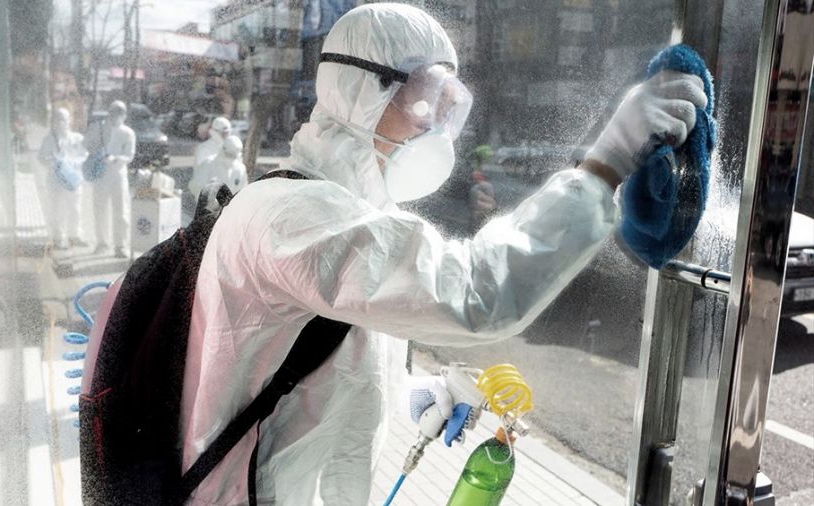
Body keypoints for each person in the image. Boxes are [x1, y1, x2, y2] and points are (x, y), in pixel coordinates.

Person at [90, 4, 706, 504]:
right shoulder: (289, 215)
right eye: (426, 100)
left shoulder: (348, 210)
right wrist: (602, 168)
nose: (437, 126)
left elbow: (321, 352)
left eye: (450, 106)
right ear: (363, 90)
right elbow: (475, 293)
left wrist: (414, 386)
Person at [89, 100, 135, 258]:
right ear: (109, 113)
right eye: (114, 113)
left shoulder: (128, 133)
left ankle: (120, 245)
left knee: (121, 211)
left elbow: (129, 156)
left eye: (120, 113)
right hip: (100, 175)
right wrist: (95, 155)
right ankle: (102, 243)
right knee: (100, 210)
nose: (116, 116)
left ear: (125, 115)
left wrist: (115, 158)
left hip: (118, 175)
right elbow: (89, 146)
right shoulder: (100, 129)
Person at [37, 108, 88, 249]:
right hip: (55, 180)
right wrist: (52, 161)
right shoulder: (49, 139)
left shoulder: (77, 138)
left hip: (73, 179)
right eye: (58, 119)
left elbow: (84, 155)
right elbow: (41, 157)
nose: (61, 122)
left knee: (75, 209)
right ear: (54, 121)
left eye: (64, 119)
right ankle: (58, 238)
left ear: (69, 120)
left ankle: (74, 236)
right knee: (57, 209)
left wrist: (72, 162)